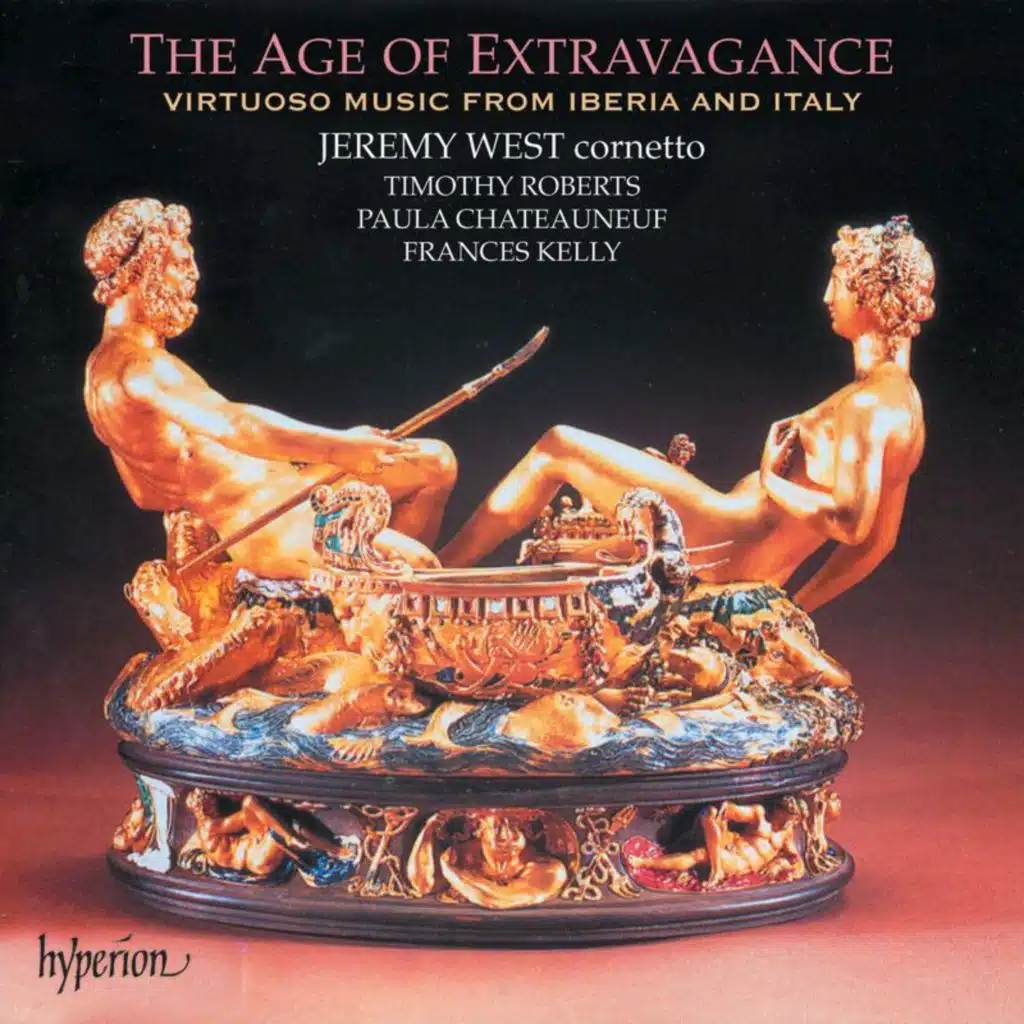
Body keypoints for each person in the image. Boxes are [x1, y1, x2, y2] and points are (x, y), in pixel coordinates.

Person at [440, 216, 935, 611]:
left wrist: (771, 481)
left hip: (726, 536)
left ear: (870, 291)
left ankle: (435, 575)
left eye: (839, 282)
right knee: (575, 548)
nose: (828, 296)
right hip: (745, 551)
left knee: (558, 446)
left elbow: (852, 526)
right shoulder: (904, 404)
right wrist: (793, 606)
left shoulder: (866, 404)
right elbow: (879, 543)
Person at [83, 198, 457, 578]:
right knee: (417, 565)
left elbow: (144, 494)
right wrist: (340, 447)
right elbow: (235, 425)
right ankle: (396, 593)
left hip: (288, 488)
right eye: (179, 264)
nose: (192, 275)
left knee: (436, 463)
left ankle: (384, 594)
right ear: (141, 272)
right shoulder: (141, 367)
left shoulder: (105, 370)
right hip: (267, 524)